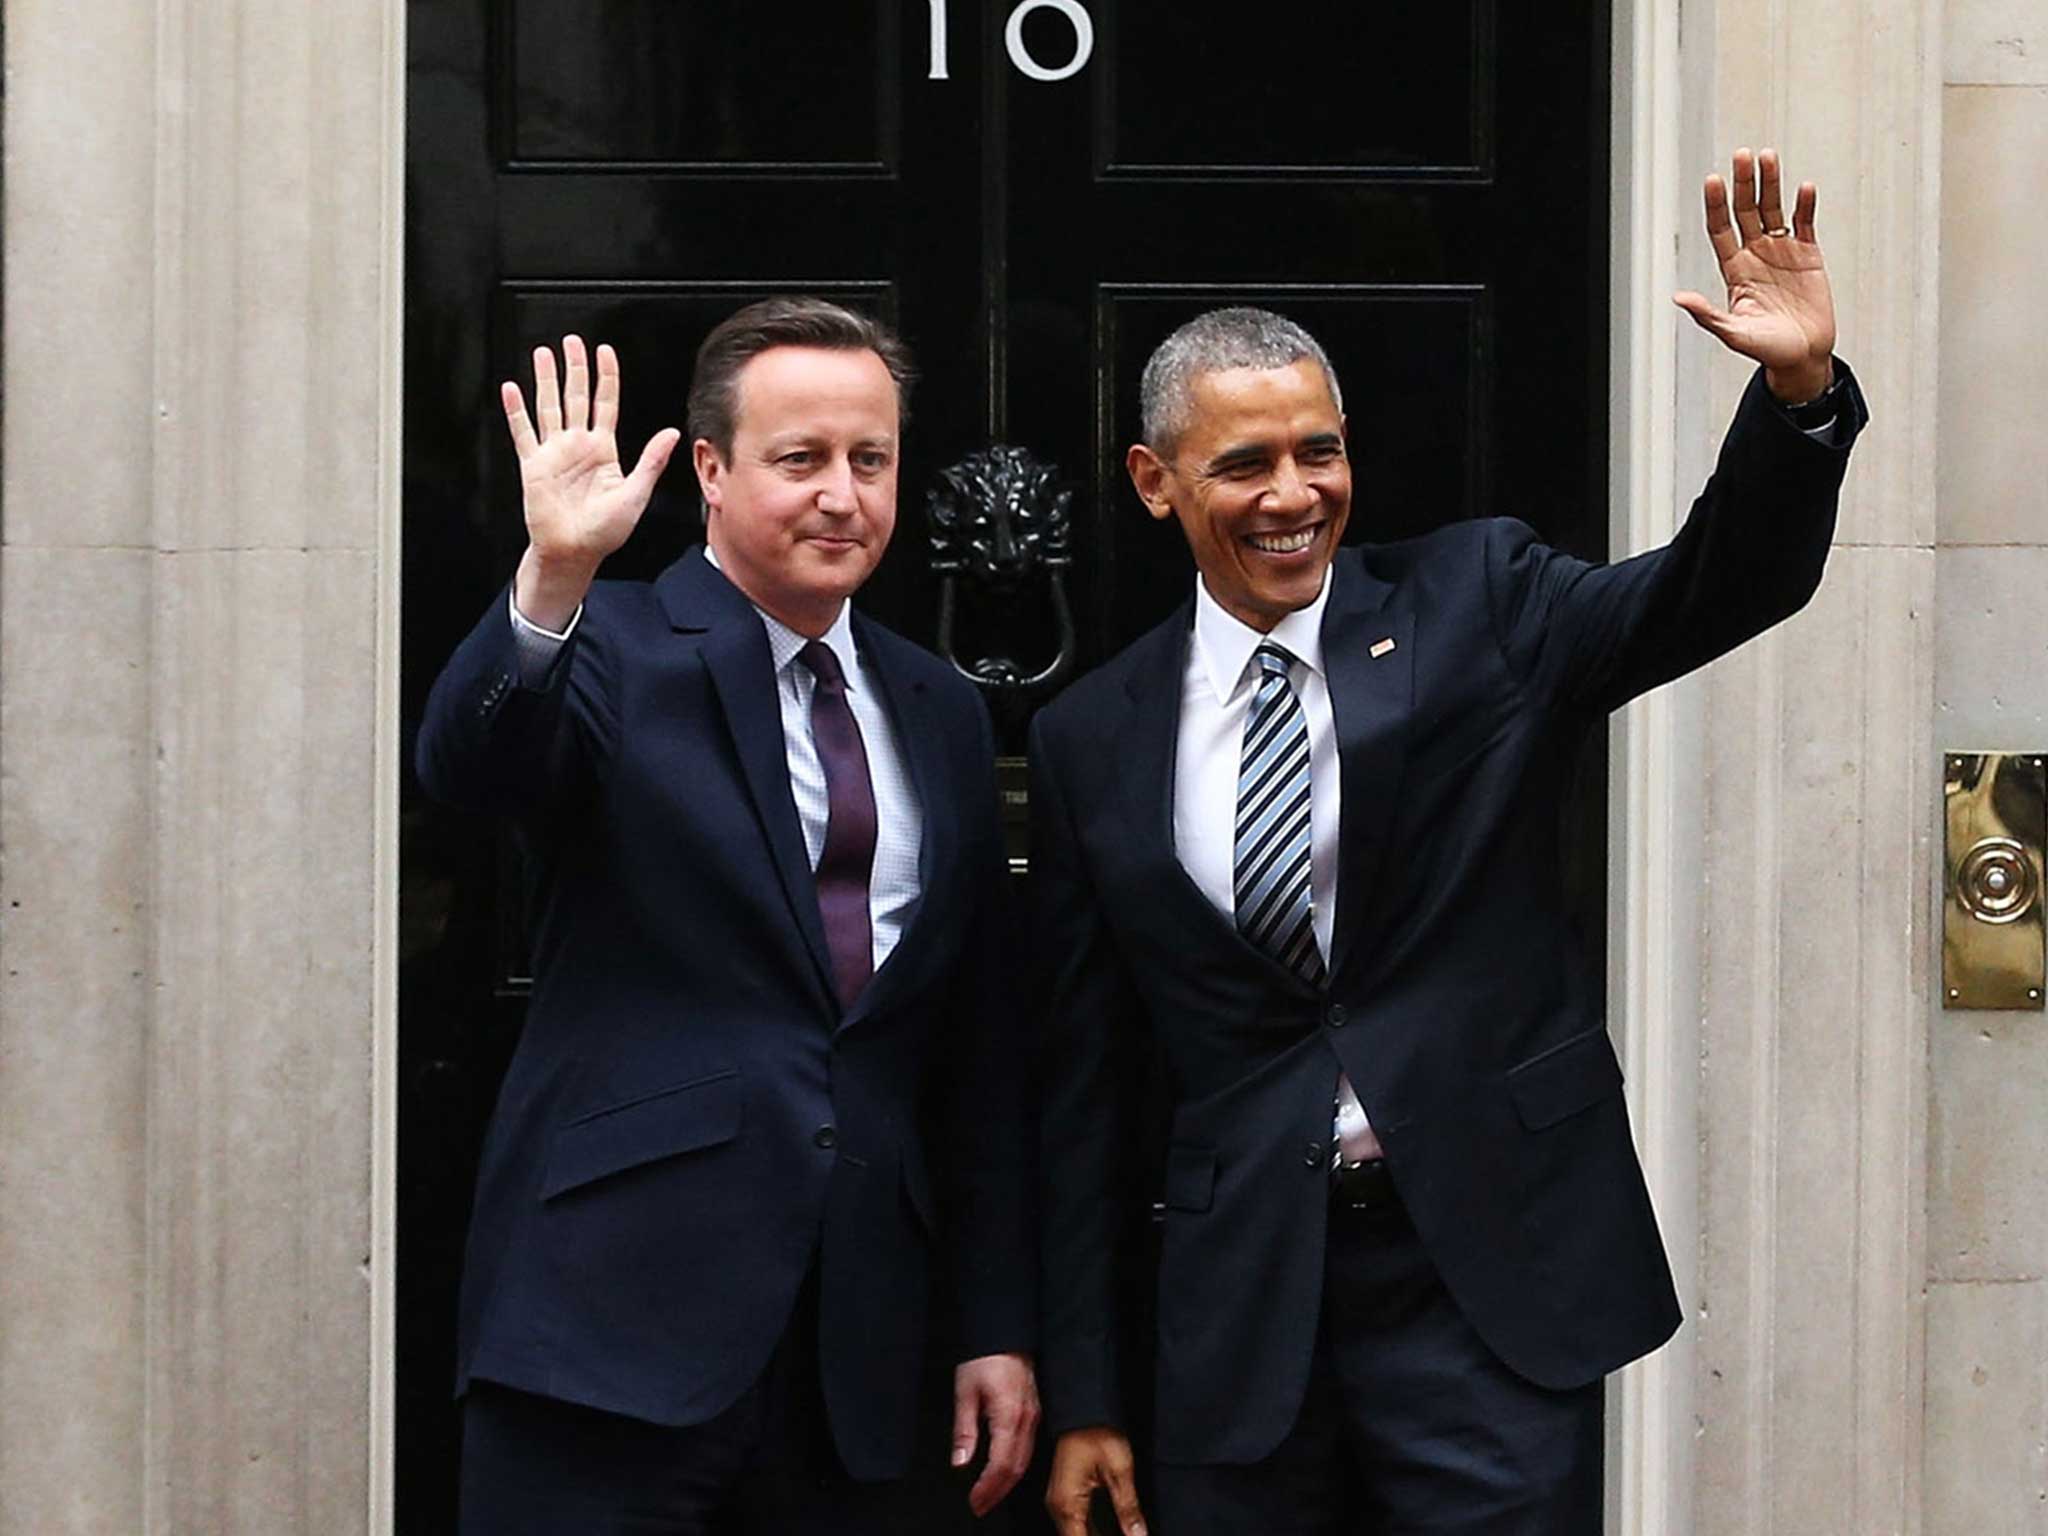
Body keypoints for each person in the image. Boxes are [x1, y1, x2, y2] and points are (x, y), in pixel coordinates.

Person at [1032, 149, 1868, 1535]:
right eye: (1242, 463)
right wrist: (1087, 1389)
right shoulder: (1087, 738)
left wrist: (1794, 398)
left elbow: (1719, 588)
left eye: (1320, 451)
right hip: (1240, 1312)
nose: (1293, 493)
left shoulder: (1478, 600)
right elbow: (1079, 1093)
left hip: (1482, 1281)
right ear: (1154, 481)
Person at [416, 298, 1038, 1534]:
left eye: (869, 460)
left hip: (861, 1359)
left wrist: (995, 1326)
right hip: (607, 1332)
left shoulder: (935, 706)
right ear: (709, 467)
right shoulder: (616, 644)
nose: (840, 496)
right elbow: (469, 770)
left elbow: (971, 1047)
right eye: (798, 459)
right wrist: (555, 575)